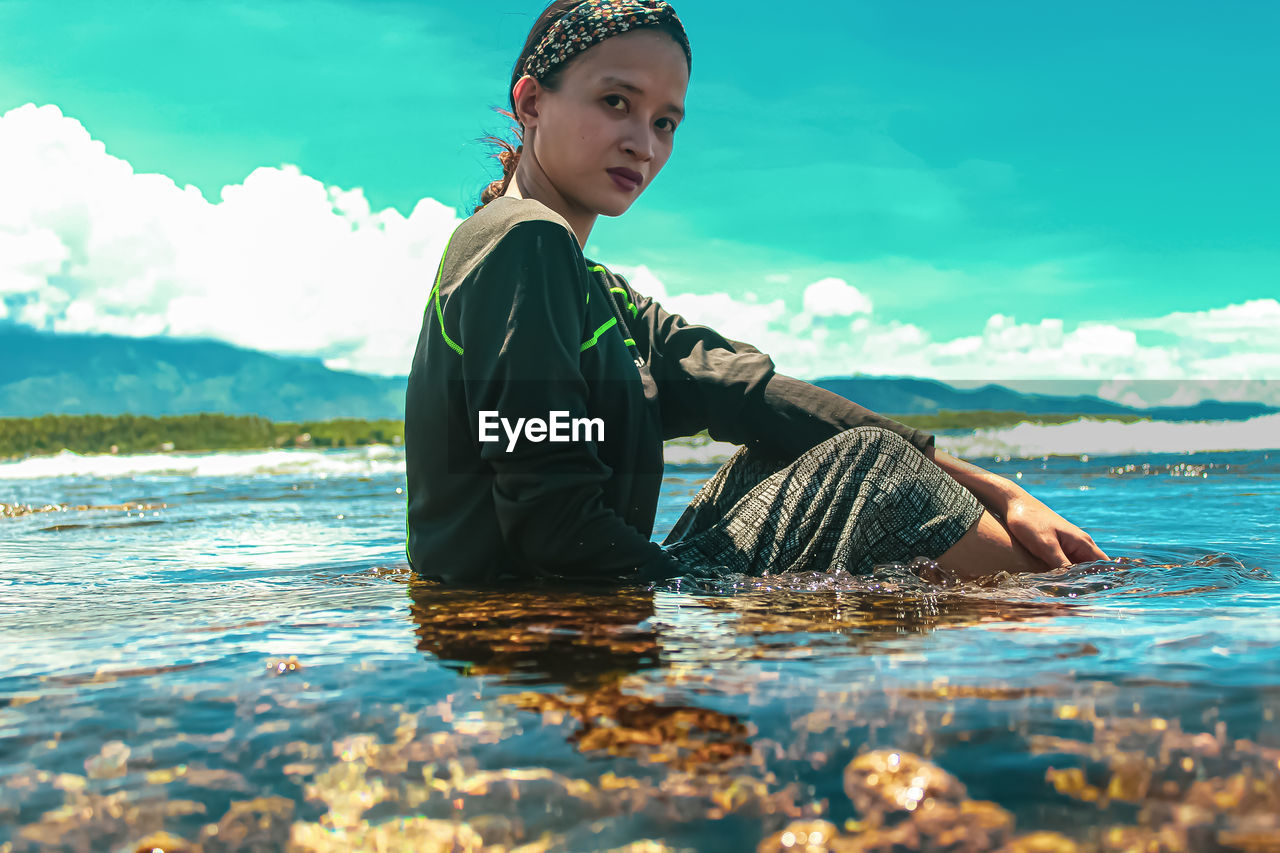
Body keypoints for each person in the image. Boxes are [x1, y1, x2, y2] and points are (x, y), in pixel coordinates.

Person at [404, 0, 1109, 586]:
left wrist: (1001, 490)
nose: (642, 145)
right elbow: (550, 518)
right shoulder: (520, 241)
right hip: (527, 627)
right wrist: (683, 611)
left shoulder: (591, 291)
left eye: (664, 122)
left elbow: (750, 391)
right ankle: (1074, 644)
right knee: (875, 470)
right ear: (530, 102)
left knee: (797, 448)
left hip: (578, 592)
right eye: (615, 102)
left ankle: (1036, 627)